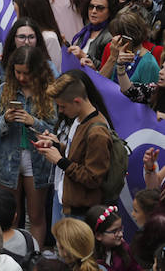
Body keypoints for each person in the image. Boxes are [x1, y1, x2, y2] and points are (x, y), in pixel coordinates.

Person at [0, 45, 57, 245]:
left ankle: (33, 256)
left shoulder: (49, 92)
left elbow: (55, 131)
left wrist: (33, 121)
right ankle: (14, 255)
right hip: (8, 160)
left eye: (26, 73)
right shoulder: (3, 90)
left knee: (36, 216)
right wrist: (5, 120)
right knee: (11, 215)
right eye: (17, 72)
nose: (21, 77)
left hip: (37, 160)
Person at [35, 71, 112, 226]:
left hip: (80, 212)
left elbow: (93, 178)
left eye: (62, 106)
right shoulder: (78, 120)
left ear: (77, 101)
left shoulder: (97, 132)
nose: (61, 111)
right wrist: (56, 146)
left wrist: (59, 160)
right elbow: (76, 154)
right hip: (66, 200)